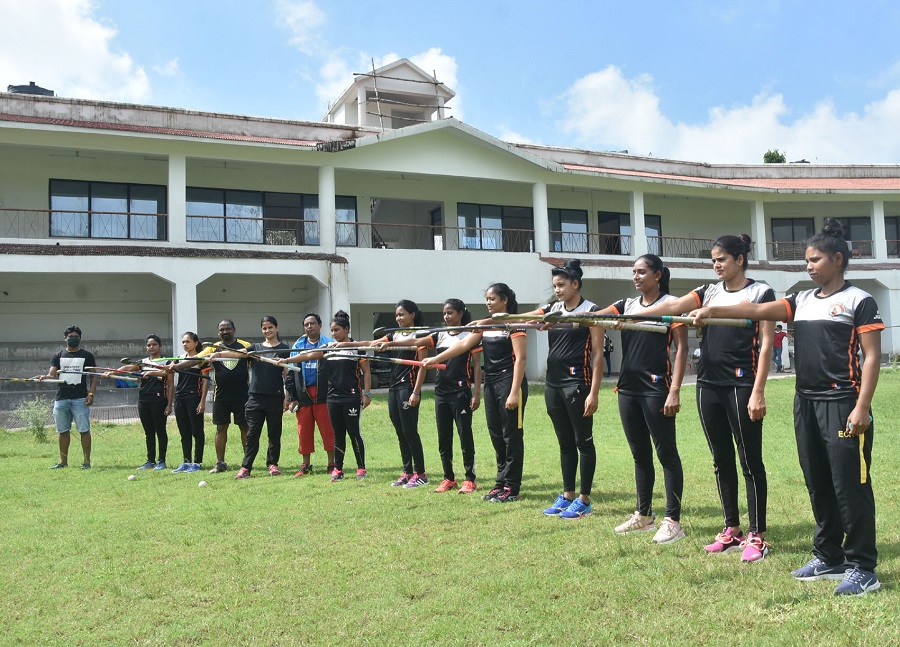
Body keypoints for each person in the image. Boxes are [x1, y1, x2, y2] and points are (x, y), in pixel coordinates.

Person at [692, 219, 884, 595]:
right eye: (807, 261)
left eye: (815, 260)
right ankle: (829, 556)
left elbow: (872, 358)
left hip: (843, 403)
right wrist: (712, 311)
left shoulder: (860, 300)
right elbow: (757, 311)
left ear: (838, 259)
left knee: (850, 485)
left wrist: (862, 407)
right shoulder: (801, 300)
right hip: (806, 402)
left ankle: (863, 566)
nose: (809, 266)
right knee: (817, 481)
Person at [642, 234, 774, 562]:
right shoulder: (707, 290)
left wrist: (758, 392)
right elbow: (674, 306)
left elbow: (768, 343)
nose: (716, 265)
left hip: (741, 386)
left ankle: (757, 535)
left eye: (722, 259)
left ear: (740, 259)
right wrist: (640, 312)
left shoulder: (761, 292)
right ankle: (732, 530)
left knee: (750, 460)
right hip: (708, 385)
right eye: (713, 260)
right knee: (721, 459)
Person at [600, 255, 689, 543]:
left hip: (656, 389)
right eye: (634, 272)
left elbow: (681, 349)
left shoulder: (672, 306)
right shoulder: (627, 305)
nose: (636, 277)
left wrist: (674, 390)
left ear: (658, 275)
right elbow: (600, 315)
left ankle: (673, 520)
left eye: (642, 272)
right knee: (640, 455)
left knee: (667, 454)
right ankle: (644, 515)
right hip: (628, 389)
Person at [425, 283, 527, 503]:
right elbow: (462, 346)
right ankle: (500, 483)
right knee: (496, 435)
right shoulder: (485, 326)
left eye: (492, 299)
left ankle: (512, 486)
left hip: (509, 382)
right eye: (487, 299)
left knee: (511, 436)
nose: (488, 303)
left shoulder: (513, 324)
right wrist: (435, 359)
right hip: (491, 384)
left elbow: (521, 358)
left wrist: (514, 392)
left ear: (504, 300)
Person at [377, 298, 482, 494]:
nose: (446, 316)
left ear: (460, 313)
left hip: (461, 391)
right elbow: (417, 341)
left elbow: (477, 366)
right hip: (441, 392)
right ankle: (448, 478)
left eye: (450, 312)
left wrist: (476, 393)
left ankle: (470, 479)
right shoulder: (440, 334)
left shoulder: (470, 335)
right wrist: (390, 344)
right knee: (444, 438)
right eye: (444, 313)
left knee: (464, 435)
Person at [524, 260, 602, 519]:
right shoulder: (553, 309)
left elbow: (598, 355)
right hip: (553, 385)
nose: (557, 290)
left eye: (561, 285)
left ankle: (584, 499)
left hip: (577, 385)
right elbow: (529, 318)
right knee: (565, 443)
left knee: (583, 442)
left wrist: (593, 393)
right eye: (554, 286)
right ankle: (567, 495)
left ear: (575, 284)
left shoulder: (592, 311)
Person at [281, 310, 371, 481]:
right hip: (332, 398)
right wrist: (287, 361)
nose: (334, 334)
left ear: (346, 329)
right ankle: (338, 469)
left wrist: (366, 394)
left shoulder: (356, 347)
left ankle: (361, 468)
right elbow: (307, 355)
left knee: (353, 432)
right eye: (332, 330)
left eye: (337, 330)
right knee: (337, 434)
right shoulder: (328, 348)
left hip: (351, 396)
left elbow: (366, 372)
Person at [209, 316, 291, 479]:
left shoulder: (283, 348)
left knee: (274, 433)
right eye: (264, 328)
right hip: (254, 397)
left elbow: (287, 375)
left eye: (270, 327)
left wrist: (287, 397)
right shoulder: (255, 348)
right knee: (252, 433)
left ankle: (272, 464)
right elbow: (237, 354)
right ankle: (246, 467)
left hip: (275, 396)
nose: (267, 331)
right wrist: (217, 356)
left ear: (277, 328)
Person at [39, 325, 98, 469]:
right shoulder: (58, 355)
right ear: (65, 338)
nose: (73, 339)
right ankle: (63, 462)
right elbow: (52, 375)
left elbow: (94, 377)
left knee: (84, 430)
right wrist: (44, 377)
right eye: (70, 337)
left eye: (76, 337)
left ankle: (86, 462)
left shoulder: (87, 355)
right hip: (61, 399)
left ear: (80, 339)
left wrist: (90, 394)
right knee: (63, 431)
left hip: (80, 399)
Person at [197, 320, 250, 474]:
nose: (225, 331)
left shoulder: (244, 345)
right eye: (222, 329)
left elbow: (250, 355)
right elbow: (198, 359)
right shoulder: (212, 347)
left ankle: (247, 463)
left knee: (245, 427)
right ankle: (220, 463)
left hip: (242, 395)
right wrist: (202, 359)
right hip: (221, 396)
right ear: (218, 332)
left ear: (234, 330)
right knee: (221, 428)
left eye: (228, 328)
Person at [290, 313, 336, 477]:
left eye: (312, 324)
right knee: (304, 431)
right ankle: (306, 464)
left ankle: (332, 463)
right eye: (306, 324)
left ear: (320, 325)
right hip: (303, 394)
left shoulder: (329, 344)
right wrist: (292, 397)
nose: (309, 327)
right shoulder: (298, 345)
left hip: (323, 394)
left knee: (328, 429)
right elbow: (291, 372)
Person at [121, 334, 173, 471]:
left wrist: (169, 404)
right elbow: (128, 368)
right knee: (148, 432)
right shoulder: (143, 362)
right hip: (143, 400)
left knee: (160, 431)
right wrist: (114, 371)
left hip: (159, 400)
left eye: (154, 344)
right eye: (149, 345)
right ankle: (150, 461)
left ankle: (161, 461)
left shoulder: (167, 362)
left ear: (159, 346)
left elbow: (170, 383)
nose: (151, 347)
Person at [171, 332, 209, 473]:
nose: (185, 344)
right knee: (184, 432)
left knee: (197, 431)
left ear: (196, 343)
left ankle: (197, 462)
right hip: (179, 398)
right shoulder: (179, 358)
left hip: (194, 397)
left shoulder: (201, 359)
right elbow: (168, 371)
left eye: (188, 341)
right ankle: (186, 461)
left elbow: (206, 381)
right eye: (183, 342)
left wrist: (202, 401)